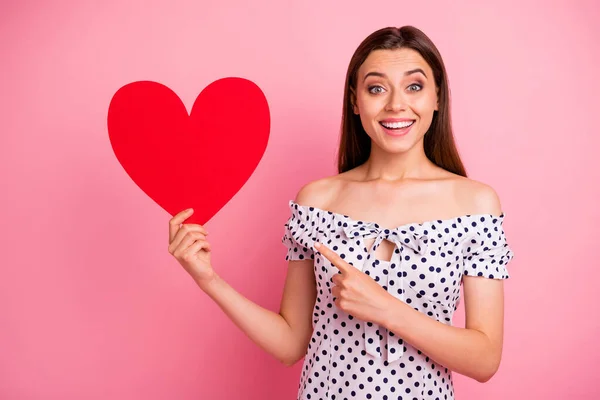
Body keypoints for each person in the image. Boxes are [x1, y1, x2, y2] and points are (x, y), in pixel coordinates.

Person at [167, 25, 514, 400]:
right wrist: (208, 280)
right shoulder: (317, 201)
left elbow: (485, 359)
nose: (396, 104)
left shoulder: (475, 204)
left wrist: (386, 309)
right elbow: (289, 344)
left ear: (437, 98)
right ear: (355, 101)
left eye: (414, 86)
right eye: (377, 88)